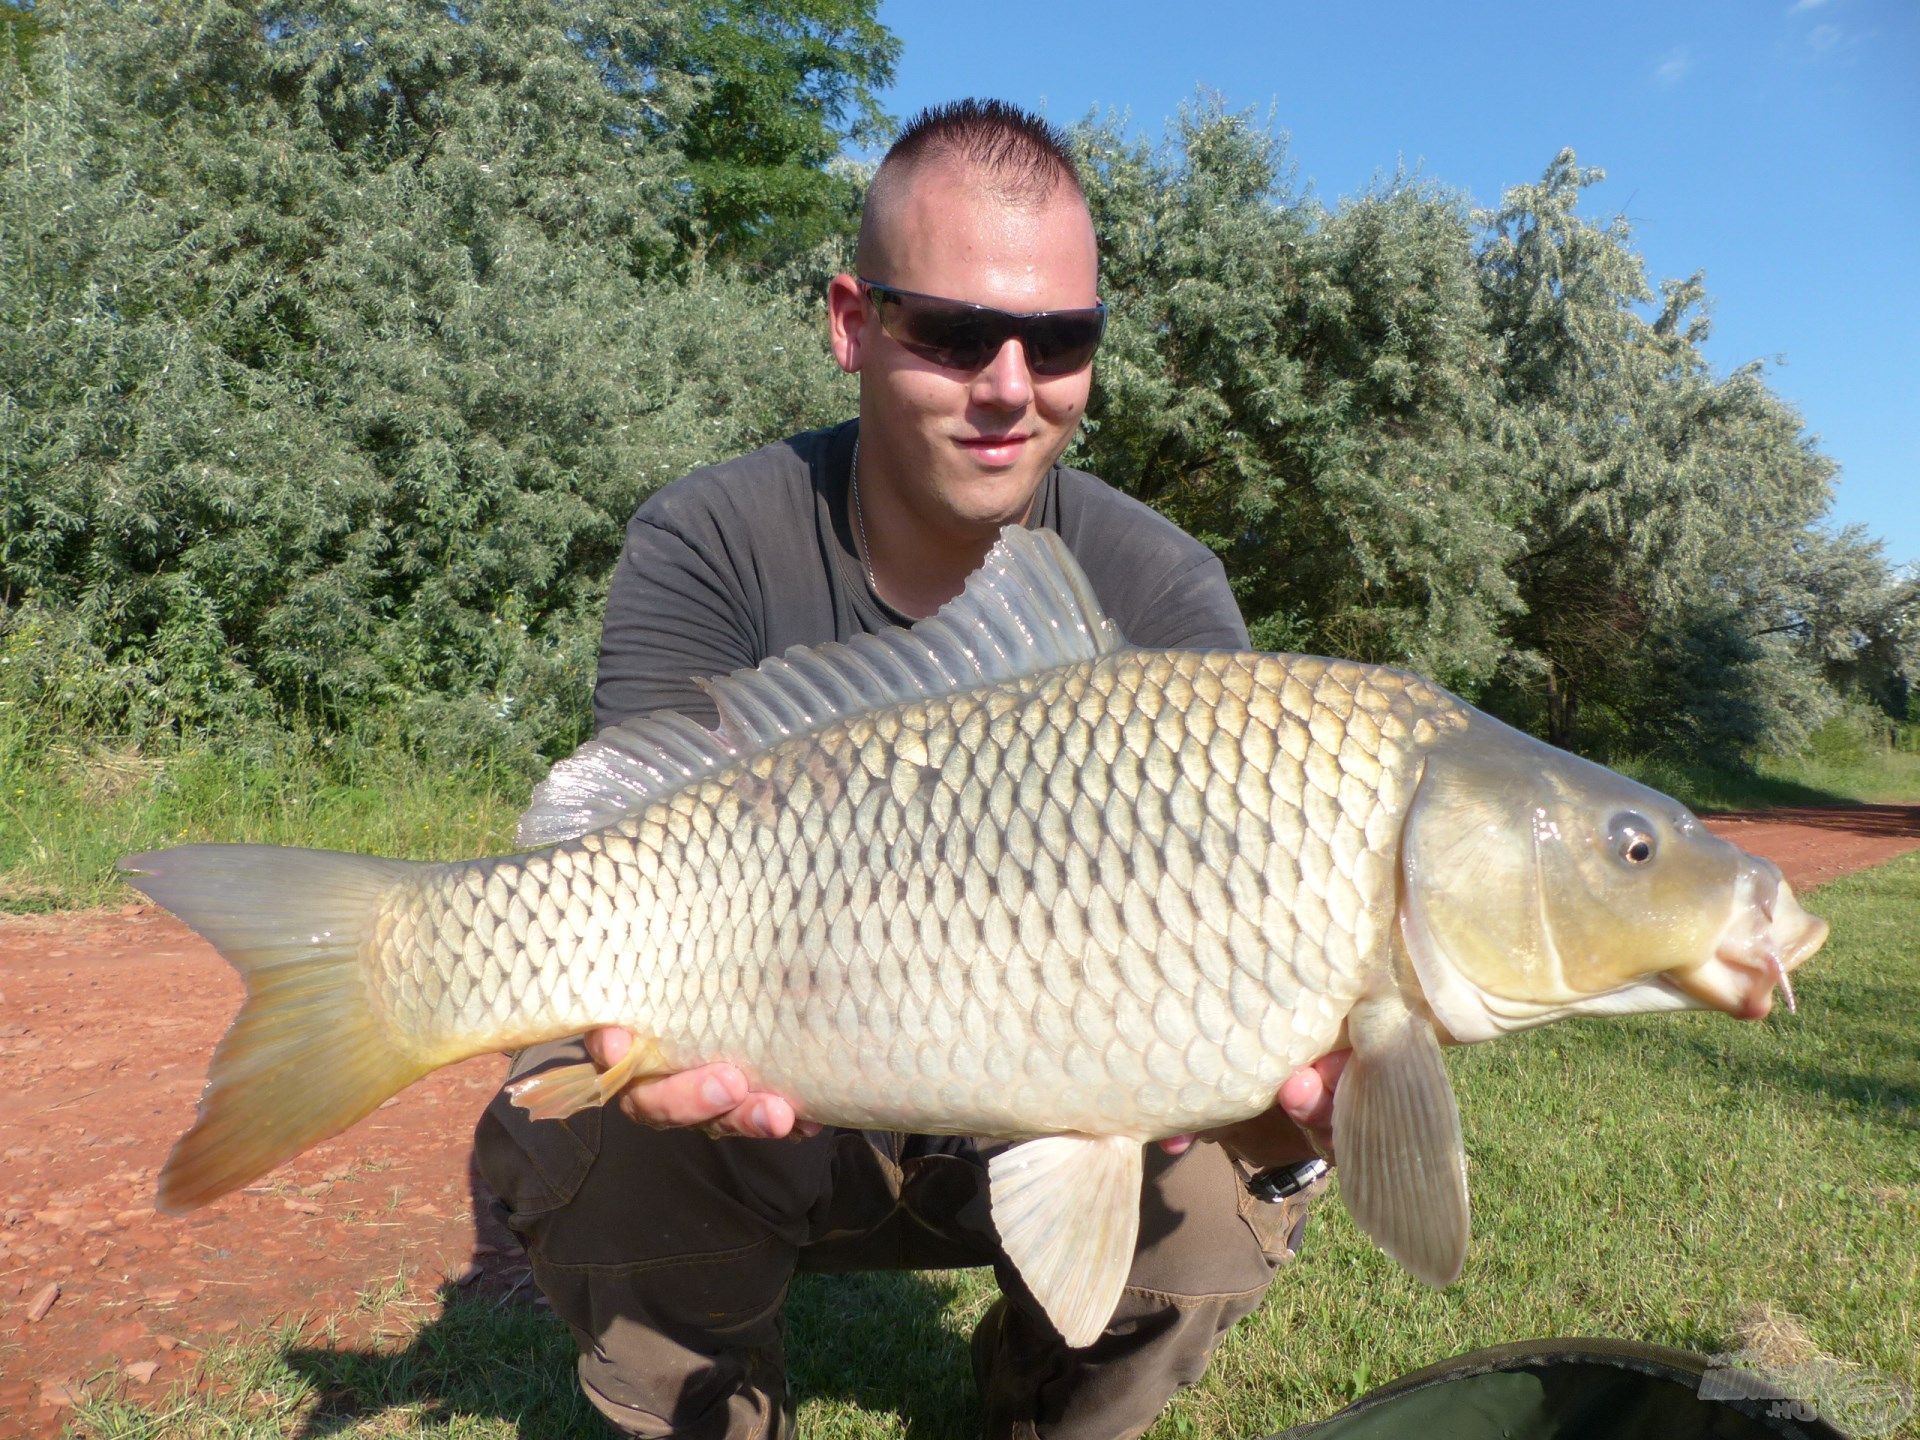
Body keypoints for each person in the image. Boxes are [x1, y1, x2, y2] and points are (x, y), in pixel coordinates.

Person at [474, 98, 1346, 1440]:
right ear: (852, 323)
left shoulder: (1157, 586)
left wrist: (1273, 1112)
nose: (1011, 382)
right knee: (589, 1126)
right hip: (771, 1099)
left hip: (1048, 1117)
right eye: (951, 330)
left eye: (1060, 339)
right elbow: (615, 850)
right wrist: (630, 1044)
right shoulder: (712, 537)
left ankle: (1039, 1406)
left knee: (1225, 1199)